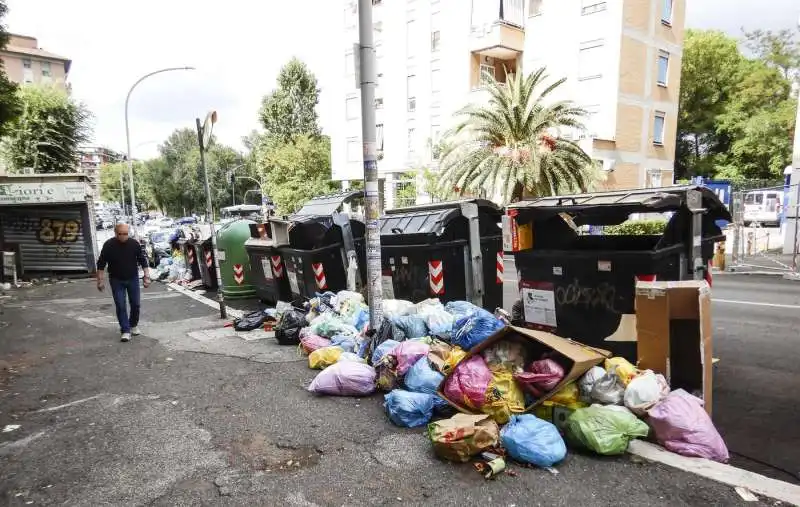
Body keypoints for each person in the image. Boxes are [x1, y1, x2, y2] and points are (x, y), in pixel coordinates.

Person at [96, 224, 150, 342]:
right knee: (120, 305)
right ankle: (125, 330)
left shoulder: (134, 244)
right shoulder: (109, 245)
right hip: (116, 280)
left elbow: (142, 260)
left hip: (132, 278)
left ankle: (133, 325)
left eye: (125, 234)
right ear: (115, 233)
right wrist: (100, 280)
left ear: (128, 233)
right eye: (120, 234)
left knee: (135, 304)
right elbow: (101, 263)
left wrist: (147, 276)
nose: (123, 236)